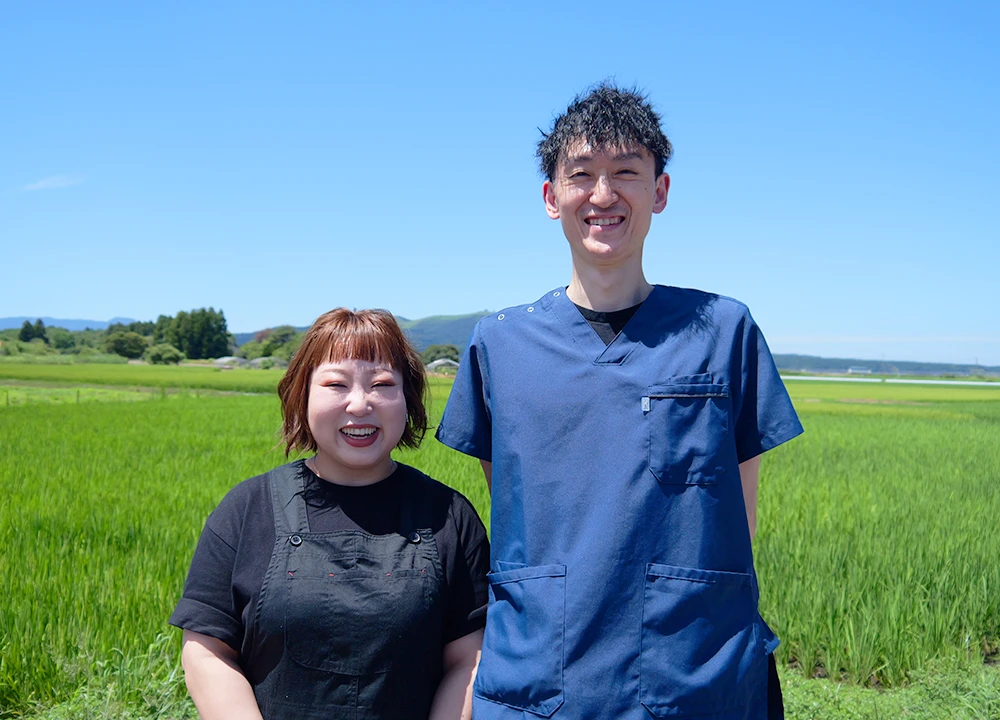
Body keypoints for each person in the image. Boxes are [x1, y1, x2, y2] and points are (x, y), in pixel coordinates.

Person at [436, 84, 803, 719]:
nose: (603, 194)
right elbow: (519, 507)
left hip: (693, 670)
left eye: (626, 172)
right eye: (581, 175)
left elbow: (737, 521)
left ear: (660, 191)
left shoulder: (724, 332)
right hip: (542, 671)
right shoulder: (500, 343)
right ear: (551, 197)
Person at [170, 308, 489, 720]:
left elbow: (468, 659)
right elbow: (207, 650)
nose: (360, 404)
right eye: (336, 384)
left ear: (407, 398)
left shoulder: (449, 517)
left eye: (382, 384)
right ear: (302, 394)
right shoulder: (248, 509)